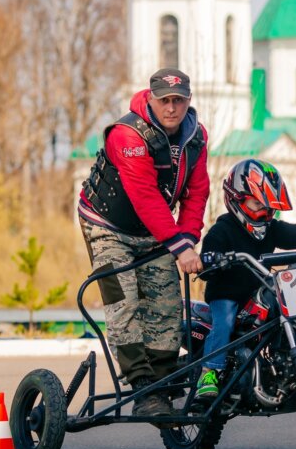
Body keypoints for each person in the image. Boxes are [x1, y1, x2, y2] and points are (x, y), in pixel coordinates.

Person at [77, 68, 208, 419]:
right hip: (106, 225)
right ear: (150, 98)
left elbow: (197, 193)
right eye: (164, 100)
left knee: (166, 304)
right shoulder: (127, 136)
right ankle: (139, 384)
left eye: (178, 100)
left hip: (154, 233)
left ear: (188, 101)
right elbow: (145, 196)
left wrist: (190, 238)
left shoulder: (196, 138)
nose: (171, 108)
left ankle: (160, 386)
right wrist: (179, 246)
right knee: (124, 302)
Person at [194, 159, 296, 402]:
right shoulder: (222, 230)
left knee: (287, 313)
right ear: (236, 200)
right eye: (256, 204)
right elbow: (207, 257)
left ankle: (283, 370)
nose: (264, 213)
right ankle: (209, 373)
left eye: (268, 207)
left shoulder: (271, 228)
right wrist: (212, 259)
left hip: (259, 291)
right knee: (225, 321)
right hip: (227, 295)